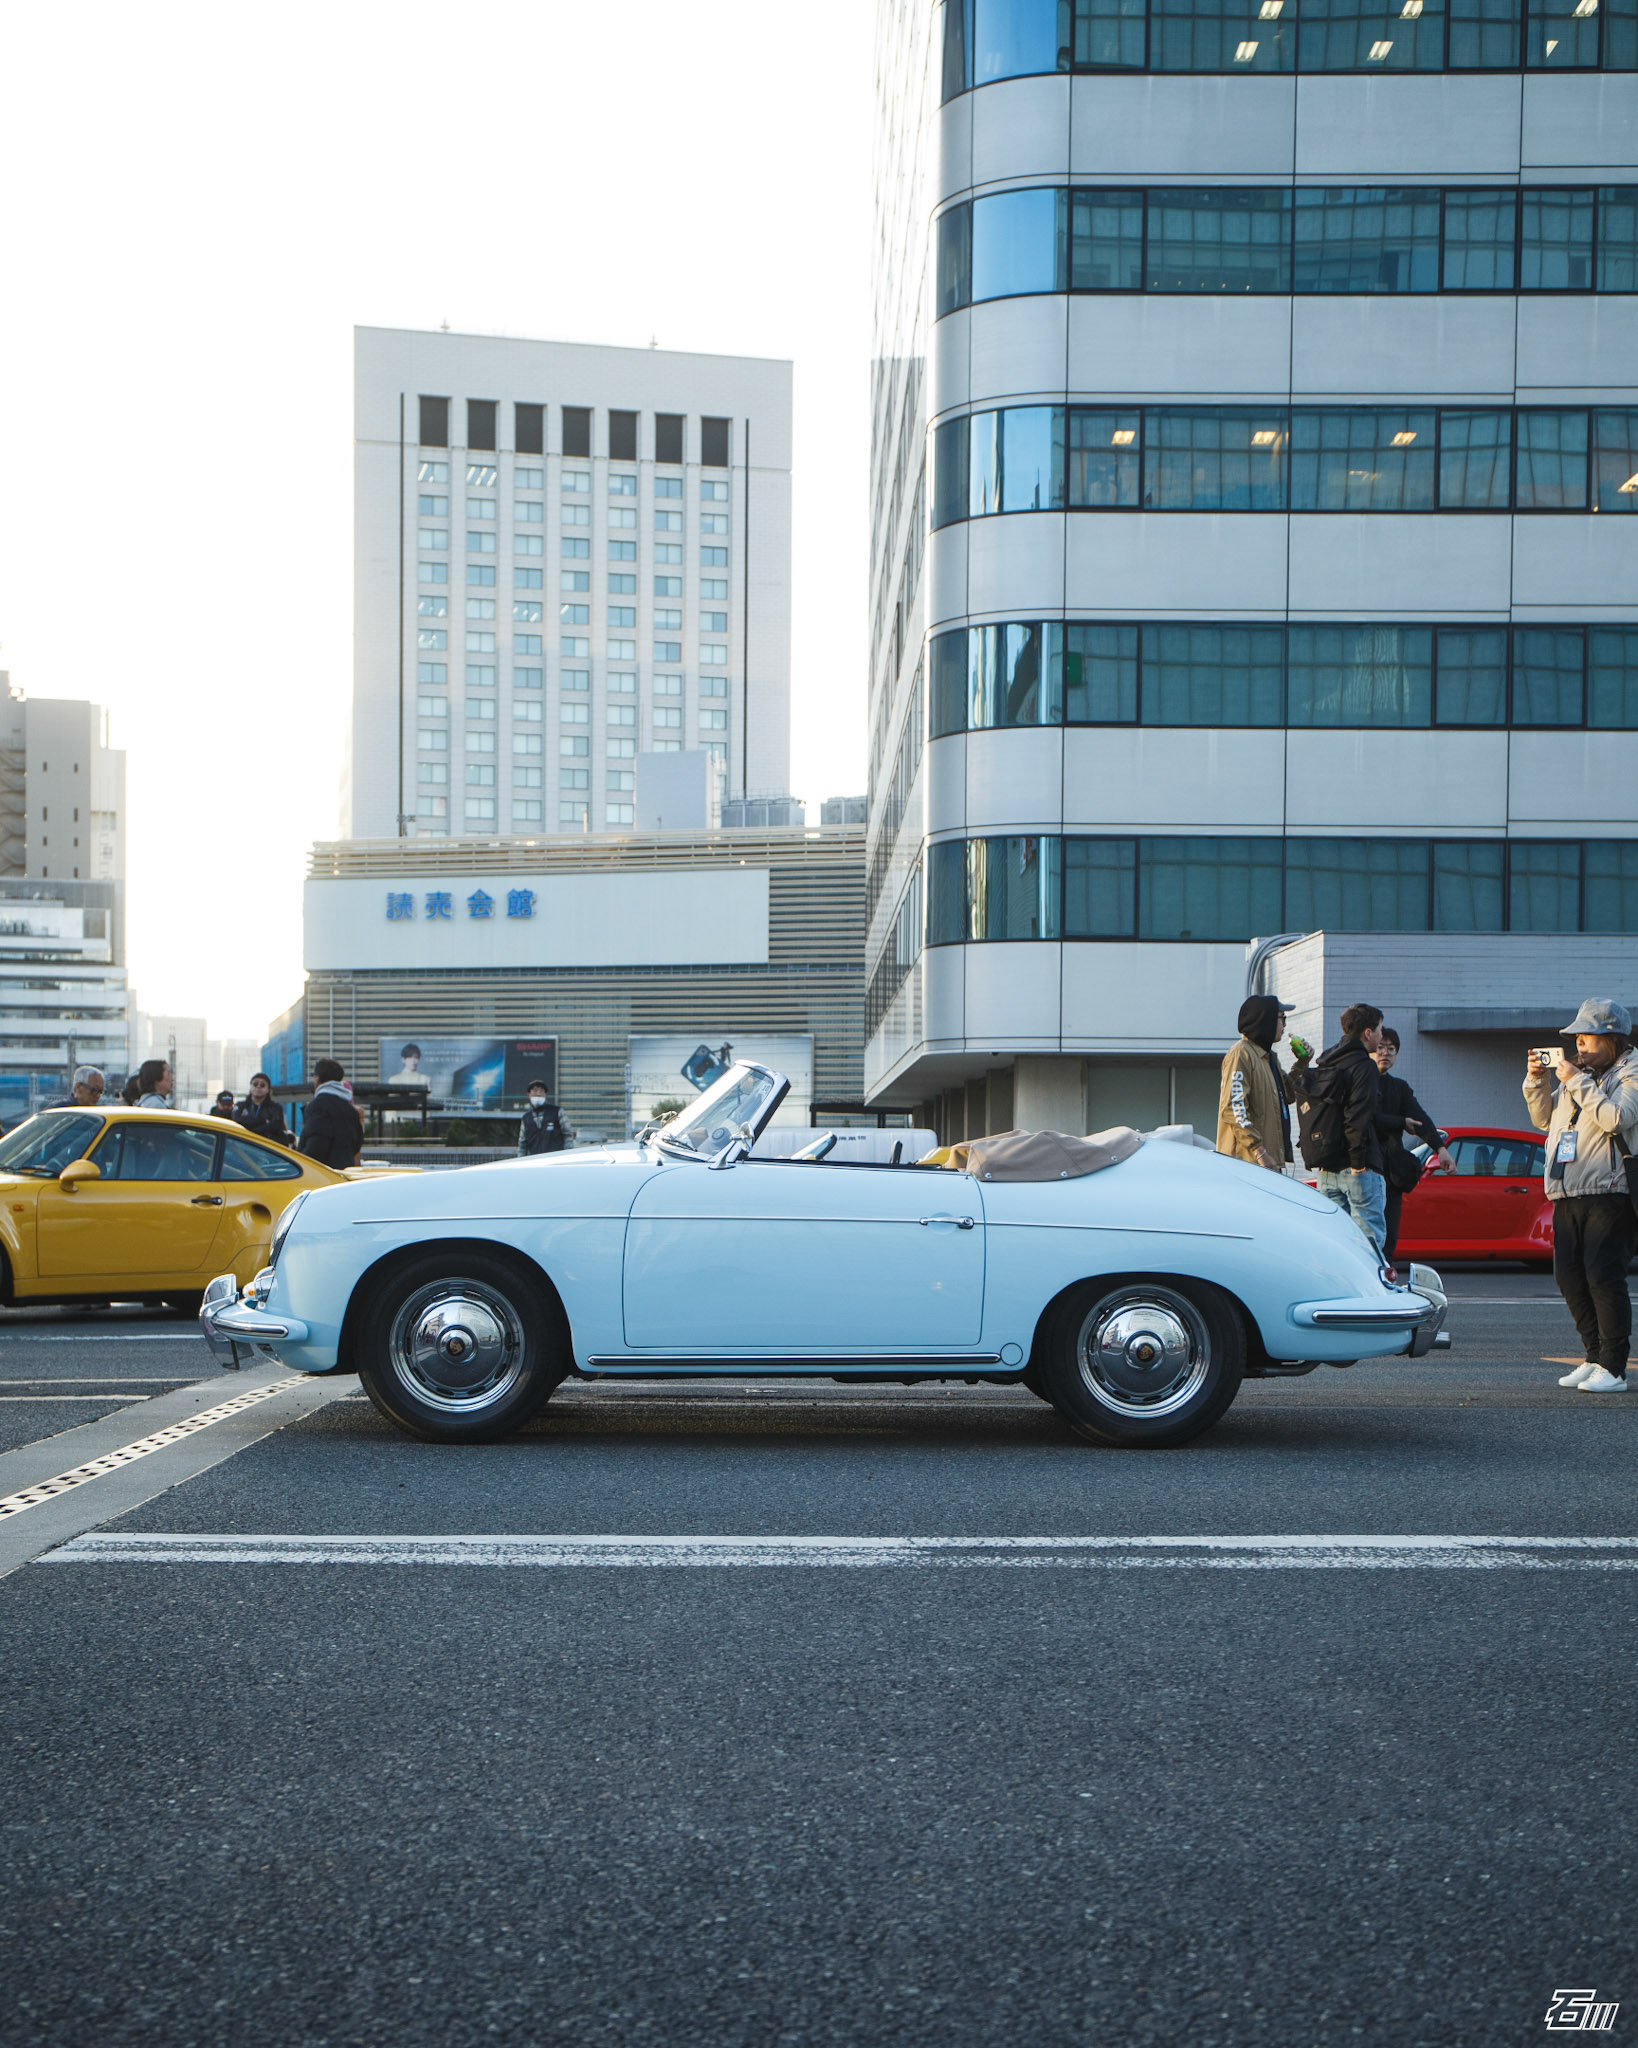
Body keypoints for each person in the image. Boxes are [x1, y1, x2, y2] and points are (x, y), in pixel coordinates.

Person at [1524, 998, 1638, 1395]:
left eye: (1587, 1037)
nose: (1579, 1045)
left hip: (1609, 1190)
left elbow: (1617, 1119)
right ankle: (1594, 1356)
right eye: (1577, 1038)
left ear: (1612, 1038)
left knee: (1603, 1276)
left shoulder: (1631, 1071)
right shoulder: (1580, 1075)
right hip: (1567, 1189)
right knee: (1569, 1276)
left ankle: (1614, 1368)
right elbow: (1543, 1119)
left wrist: (1576, 1081)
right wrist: (1536, 1081)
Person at [1297, 1002, 1388, 1253]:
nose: (1381, 1036)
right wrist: (1358, 1163)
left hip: (1326, 1167)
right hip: (1356, 1167)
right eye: (1380, 1030)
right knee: (1368, 1242)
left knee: (1334, 1243)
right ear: (1367, 1033)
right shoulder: (1364, 1066)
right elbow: (1358, 1116)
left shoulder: (1326, 1062)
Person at [1372, 1028, 1454, 1268]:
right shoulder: (1359, 1082)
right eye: (1380, 1048)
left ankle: (1384, 1279)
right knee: (1366, 1236)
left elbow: (1420, 1119)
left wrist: (1440, 1149)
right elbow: (1365, 1118)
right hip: (1363, 1169)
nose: (1385, 1053)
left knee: (1389, 1237)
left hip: (1391, 1172)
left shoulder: (1399, 1088)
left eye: (1391, 1049)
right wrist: (1400, 1122)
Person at [1216, 995, 1295, 1171]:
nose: (1284, 1025)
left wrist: (1302, 1063)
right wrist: (1259, 1152)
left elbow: (1288, 1096)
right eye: (1282, 1018)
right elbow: (1233, 1108)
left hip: (1267, 1164)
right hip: (1247, 1164)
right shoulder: (1241, 1054)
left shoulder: (1268, 1058)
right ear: (1266, 1020)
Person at [297, 1058, 364, 1170]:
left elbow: (316, 1144)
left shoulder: (317, 1106)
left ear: (317, 1079)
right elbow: (357, 1144)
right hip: (344, 1172)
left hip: (322, 1173)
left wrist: (300, 1163)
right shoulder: (351, 1110)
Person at [235, 1072, 289, 1145]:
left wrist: (250, 1130)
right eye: (255, 1084)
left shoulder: (276, 1108)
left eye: (262, 1085)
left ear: (268, 1089)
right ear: (250, 1087)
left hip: (266, 1147)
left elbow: (276, 1127)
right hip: (244, 1145)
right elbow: (237, 1121)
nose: (258, 1087)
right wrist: (263, 1121)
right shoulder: (240, 1105)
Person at [517, 1081, 569, 1157]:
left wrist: (567, 1155)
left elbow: (567, 1134)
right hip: (534, 1160)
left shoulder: (557, 1112)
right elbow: (522, 1143)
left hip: (555, 1158)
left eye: (541, 1091)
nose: (538, 1094)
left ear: (545, 1094)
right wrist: (520, 1159)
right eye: (535, 1091)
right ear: (528, 1094)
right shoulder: (526, 1118)